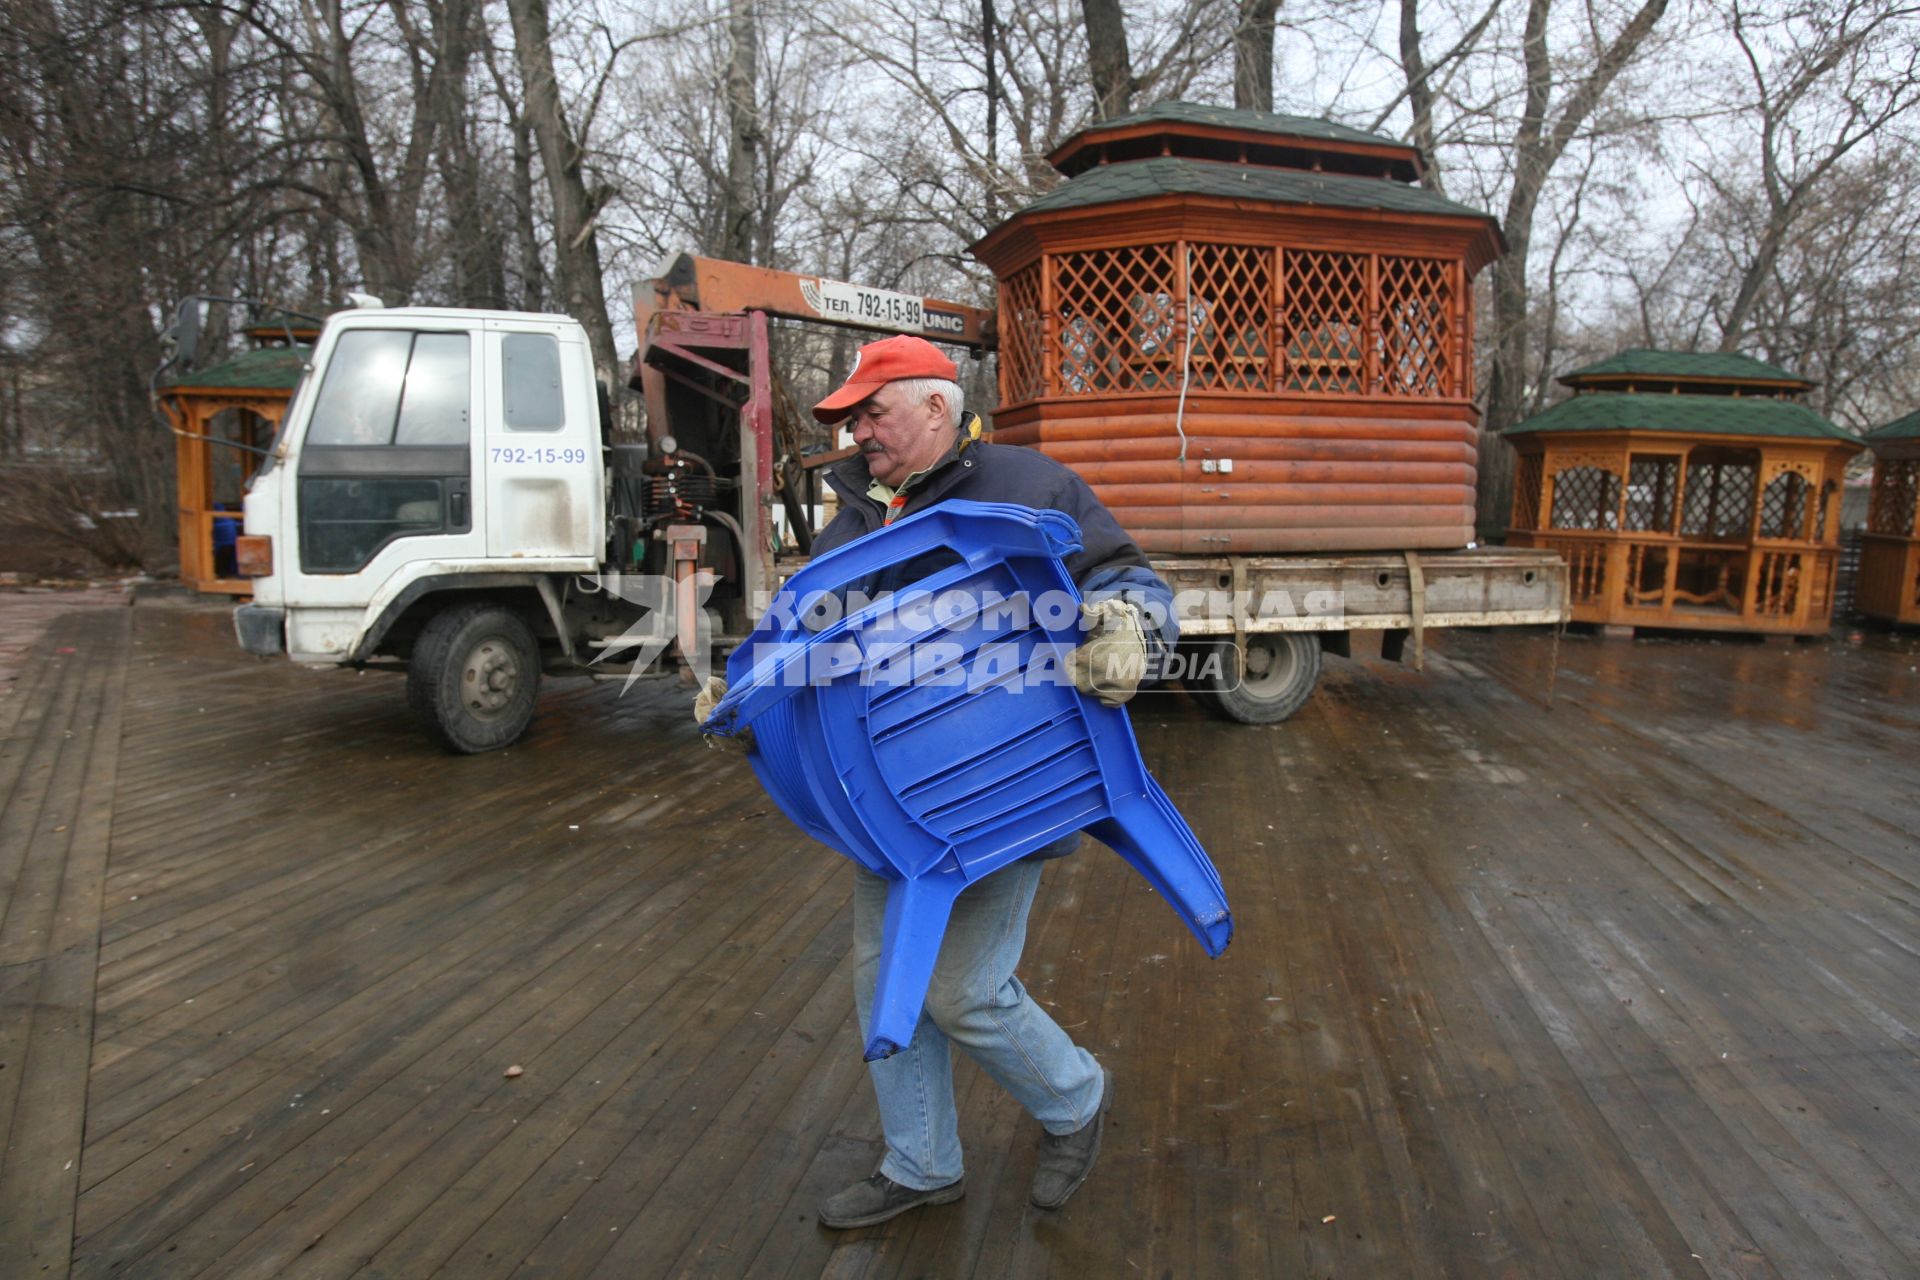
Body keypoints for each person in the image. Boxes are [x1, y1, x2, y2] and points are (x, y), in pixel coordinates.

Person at [692, 334, 1176, 1228]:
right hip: (881, 802)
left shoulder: (1029, 486)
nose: (858, 434)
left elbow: (1124, 576)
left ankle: (1075, 1100)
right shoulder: (853, 519)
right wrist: (745, 701)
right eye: (850, 419)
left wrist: (1129, 631)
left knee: (961, 990)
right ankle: (921, 1164)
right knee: (888, 990)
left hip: (1006, 787)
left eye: (873, 413)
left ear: (936, 409)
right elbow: (802, 636)